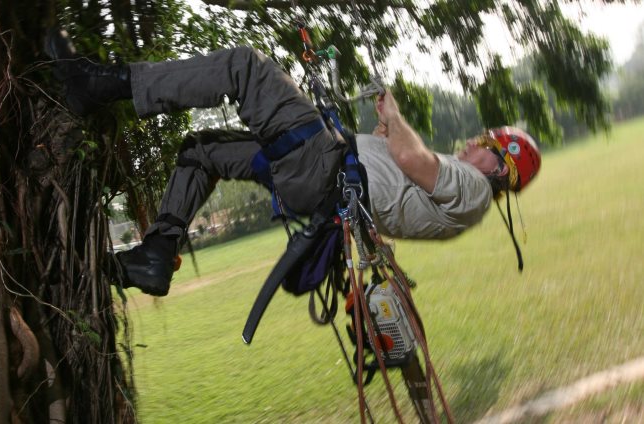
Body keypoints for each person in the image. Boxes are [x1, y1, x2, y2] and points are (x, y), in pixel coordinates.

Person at [46, 29, 541, 296]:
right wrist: (384, 136)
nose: (473, 143)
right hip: (320, 178)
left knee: (246, 67)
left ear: (500, 167)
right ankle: (157, 253)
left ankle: (100, 85)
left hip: (321, 166)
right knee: (200, 153)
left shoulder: (473, 188)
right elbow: (403, 170)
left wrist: (394, 114)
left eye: (486, 144)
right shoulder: (466, 198)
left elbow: (413, 158)